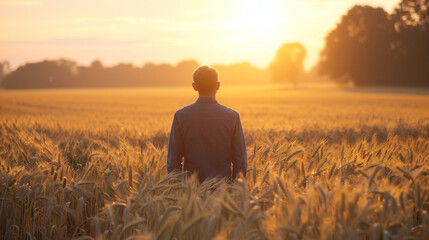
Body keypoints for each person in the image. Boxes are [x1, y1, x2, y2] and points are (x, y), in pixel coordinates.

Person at [167, 66, 247, 182]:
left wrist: (181, 190)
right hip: (223, 193)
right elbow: (240, 161)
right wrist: (234, 191)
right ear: (218, 85)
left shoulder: (181, 116)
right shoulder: (232, 117)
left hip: (191, 193)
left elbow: (173, 161)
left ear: (194, 86)